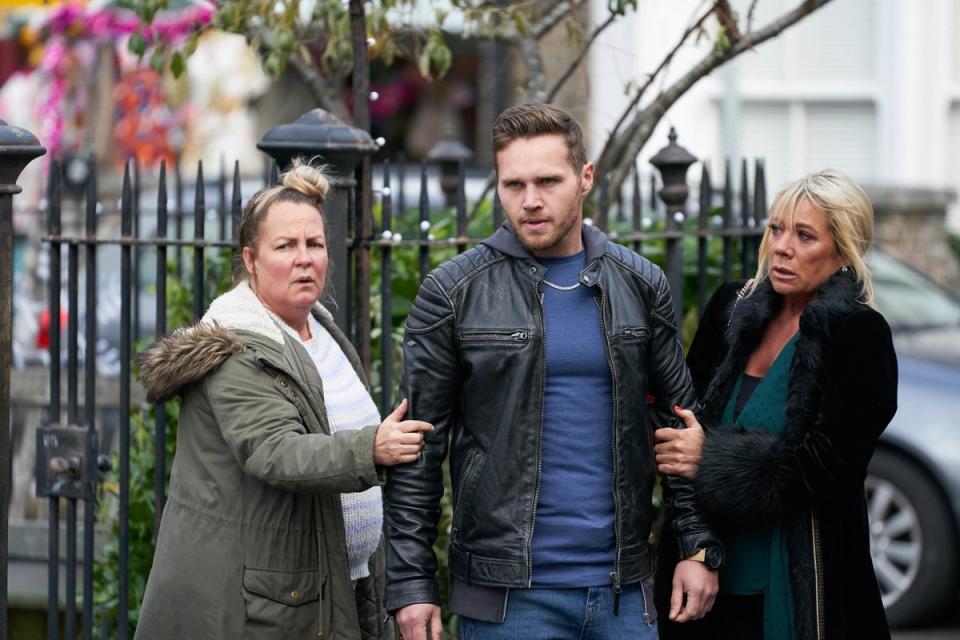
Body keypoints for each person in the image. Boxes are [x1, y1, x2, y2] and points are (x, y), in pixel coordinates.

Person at [383, 103, 723, 640]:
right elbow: (416, 449)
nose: (531, 201)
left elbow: (681, 431)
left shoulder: (640, 285)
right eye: (513, 184)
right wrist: (411, 582)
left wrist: (698, 547)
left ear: (585, 178)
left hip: (623, 592)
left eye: (547, 181)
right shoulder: (453, 293)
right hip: (507, 599)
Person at [133, 160, 432, 640]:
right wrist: (371, 447)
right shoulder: (238, 345)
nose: (304, 258)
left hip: (336, 582)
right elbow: (276, 451)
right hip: (266, 601)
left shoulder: (321, 329)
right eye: (285, 246)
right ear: (251, 260)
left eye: (315, 244)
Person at [653, 170, 898, 640]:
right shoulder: (731, 307)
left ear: (843, 249)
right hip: (703, 575)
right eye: (777, 229)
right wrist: (697, 550)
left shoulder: (859, 336)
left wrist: (711, 457)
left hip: (805, 579)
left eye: (804, 235)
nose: (782, 246)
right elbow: (677, 431)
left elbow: (827, 470)